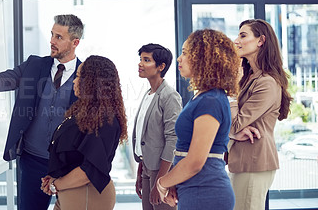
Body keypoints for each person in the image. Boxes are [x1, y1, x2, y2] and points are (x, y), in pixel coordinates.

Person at [0, 14, 84, 209]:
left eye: (59, 37)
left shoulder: (86, 74)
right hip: (33, 161)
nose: (52, 41)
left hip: (69, 164)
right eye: (52, 34)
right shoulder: (34, 65)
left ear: (75, 42)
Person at [156, 29, 240, 209]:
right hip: (195, 190)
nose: (179, 58)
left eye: (185, 53)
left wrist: (162, 183)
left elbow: (195, 161)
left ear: (204, 58)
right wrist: (174, 180)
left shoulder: (211, 100)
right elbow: (186, 153)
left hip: (206, 192)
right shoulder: (204, 97)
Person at [40, 55, 128, 210]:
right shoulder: (83, 113)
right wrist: (54, 179)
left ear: (93, 82)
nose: (74, 80)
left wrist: (57, 184)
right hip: (70, 193)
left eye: (79, 76)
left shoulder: (105, 121)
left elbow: (89, 170)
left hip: (87, 195)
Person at [227, 19, 292, 210]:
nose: (236, 40)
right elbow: (231, 125)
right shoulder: (249, 79)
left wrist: (231, 90)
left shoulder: (267, 82)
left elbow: (236, 123)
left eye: (243, 35)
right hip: (243, 161)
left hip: (254, 162)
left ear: (261, 40)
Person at [132, 43, 182, 210]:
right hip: (147, 166)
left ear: (161, 66)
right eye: (140, 59)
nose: (140, 64)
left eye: (146, 60)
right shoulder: (148, 94)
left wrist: (161, 181)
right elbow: (146, 136)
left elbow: (173, 139)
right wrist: (140, 168)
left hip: (161, 170)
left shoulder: (170, 96)